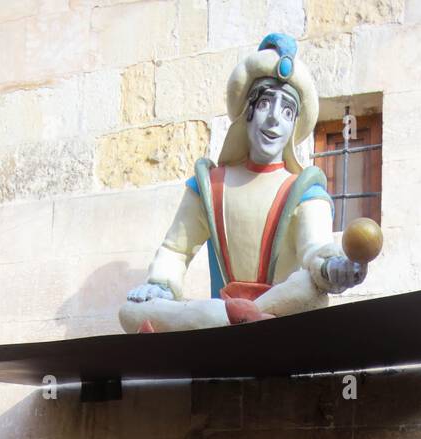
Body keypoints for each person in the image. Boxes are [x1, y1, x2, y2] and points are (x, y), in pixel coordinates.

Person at [119, 33, 366, 334]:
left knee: (310, 288)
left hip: (279, 311)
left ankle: (244, 317)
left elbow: (315, 250)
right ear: (247, 113)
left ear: (293, 127)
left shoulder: (305, 190)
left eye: (287, 111)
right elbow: (175, 249)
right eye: (265, 104)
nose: (275, 119)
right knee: (132, 311)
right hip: (218, 311)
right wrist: (161, 285)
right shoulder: (209, 186)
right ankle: (234, 317)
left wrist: (333, 269)